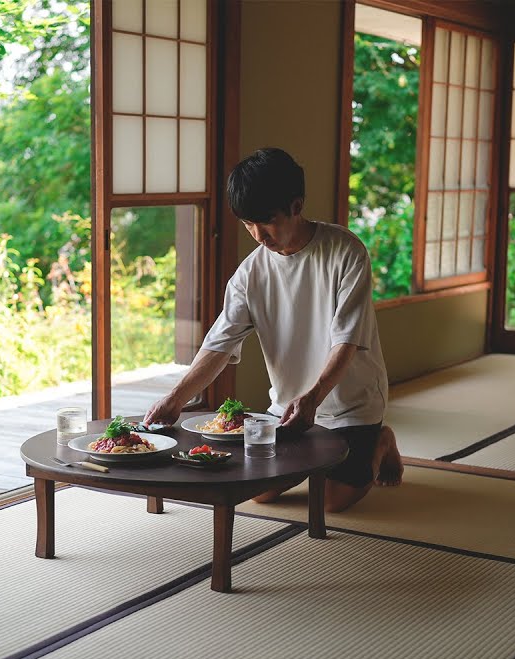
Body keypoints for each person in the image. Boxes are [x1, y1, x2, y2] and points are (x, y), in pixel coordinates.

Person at [144, 147, 402, 512]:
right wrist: (175, 398)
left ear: (296, 206)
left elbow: (346, 340)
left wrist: (313, 397)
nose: (258, 236)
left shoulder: (346, 253)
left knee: (331, 501)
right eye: (248, 224)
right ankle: (314, 460)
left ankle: (380, 442)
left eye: (266, 222)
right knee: (260, 492)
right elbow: (219, 344)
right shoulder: (250, 274)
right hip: (286, 410)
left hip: (349, 405)